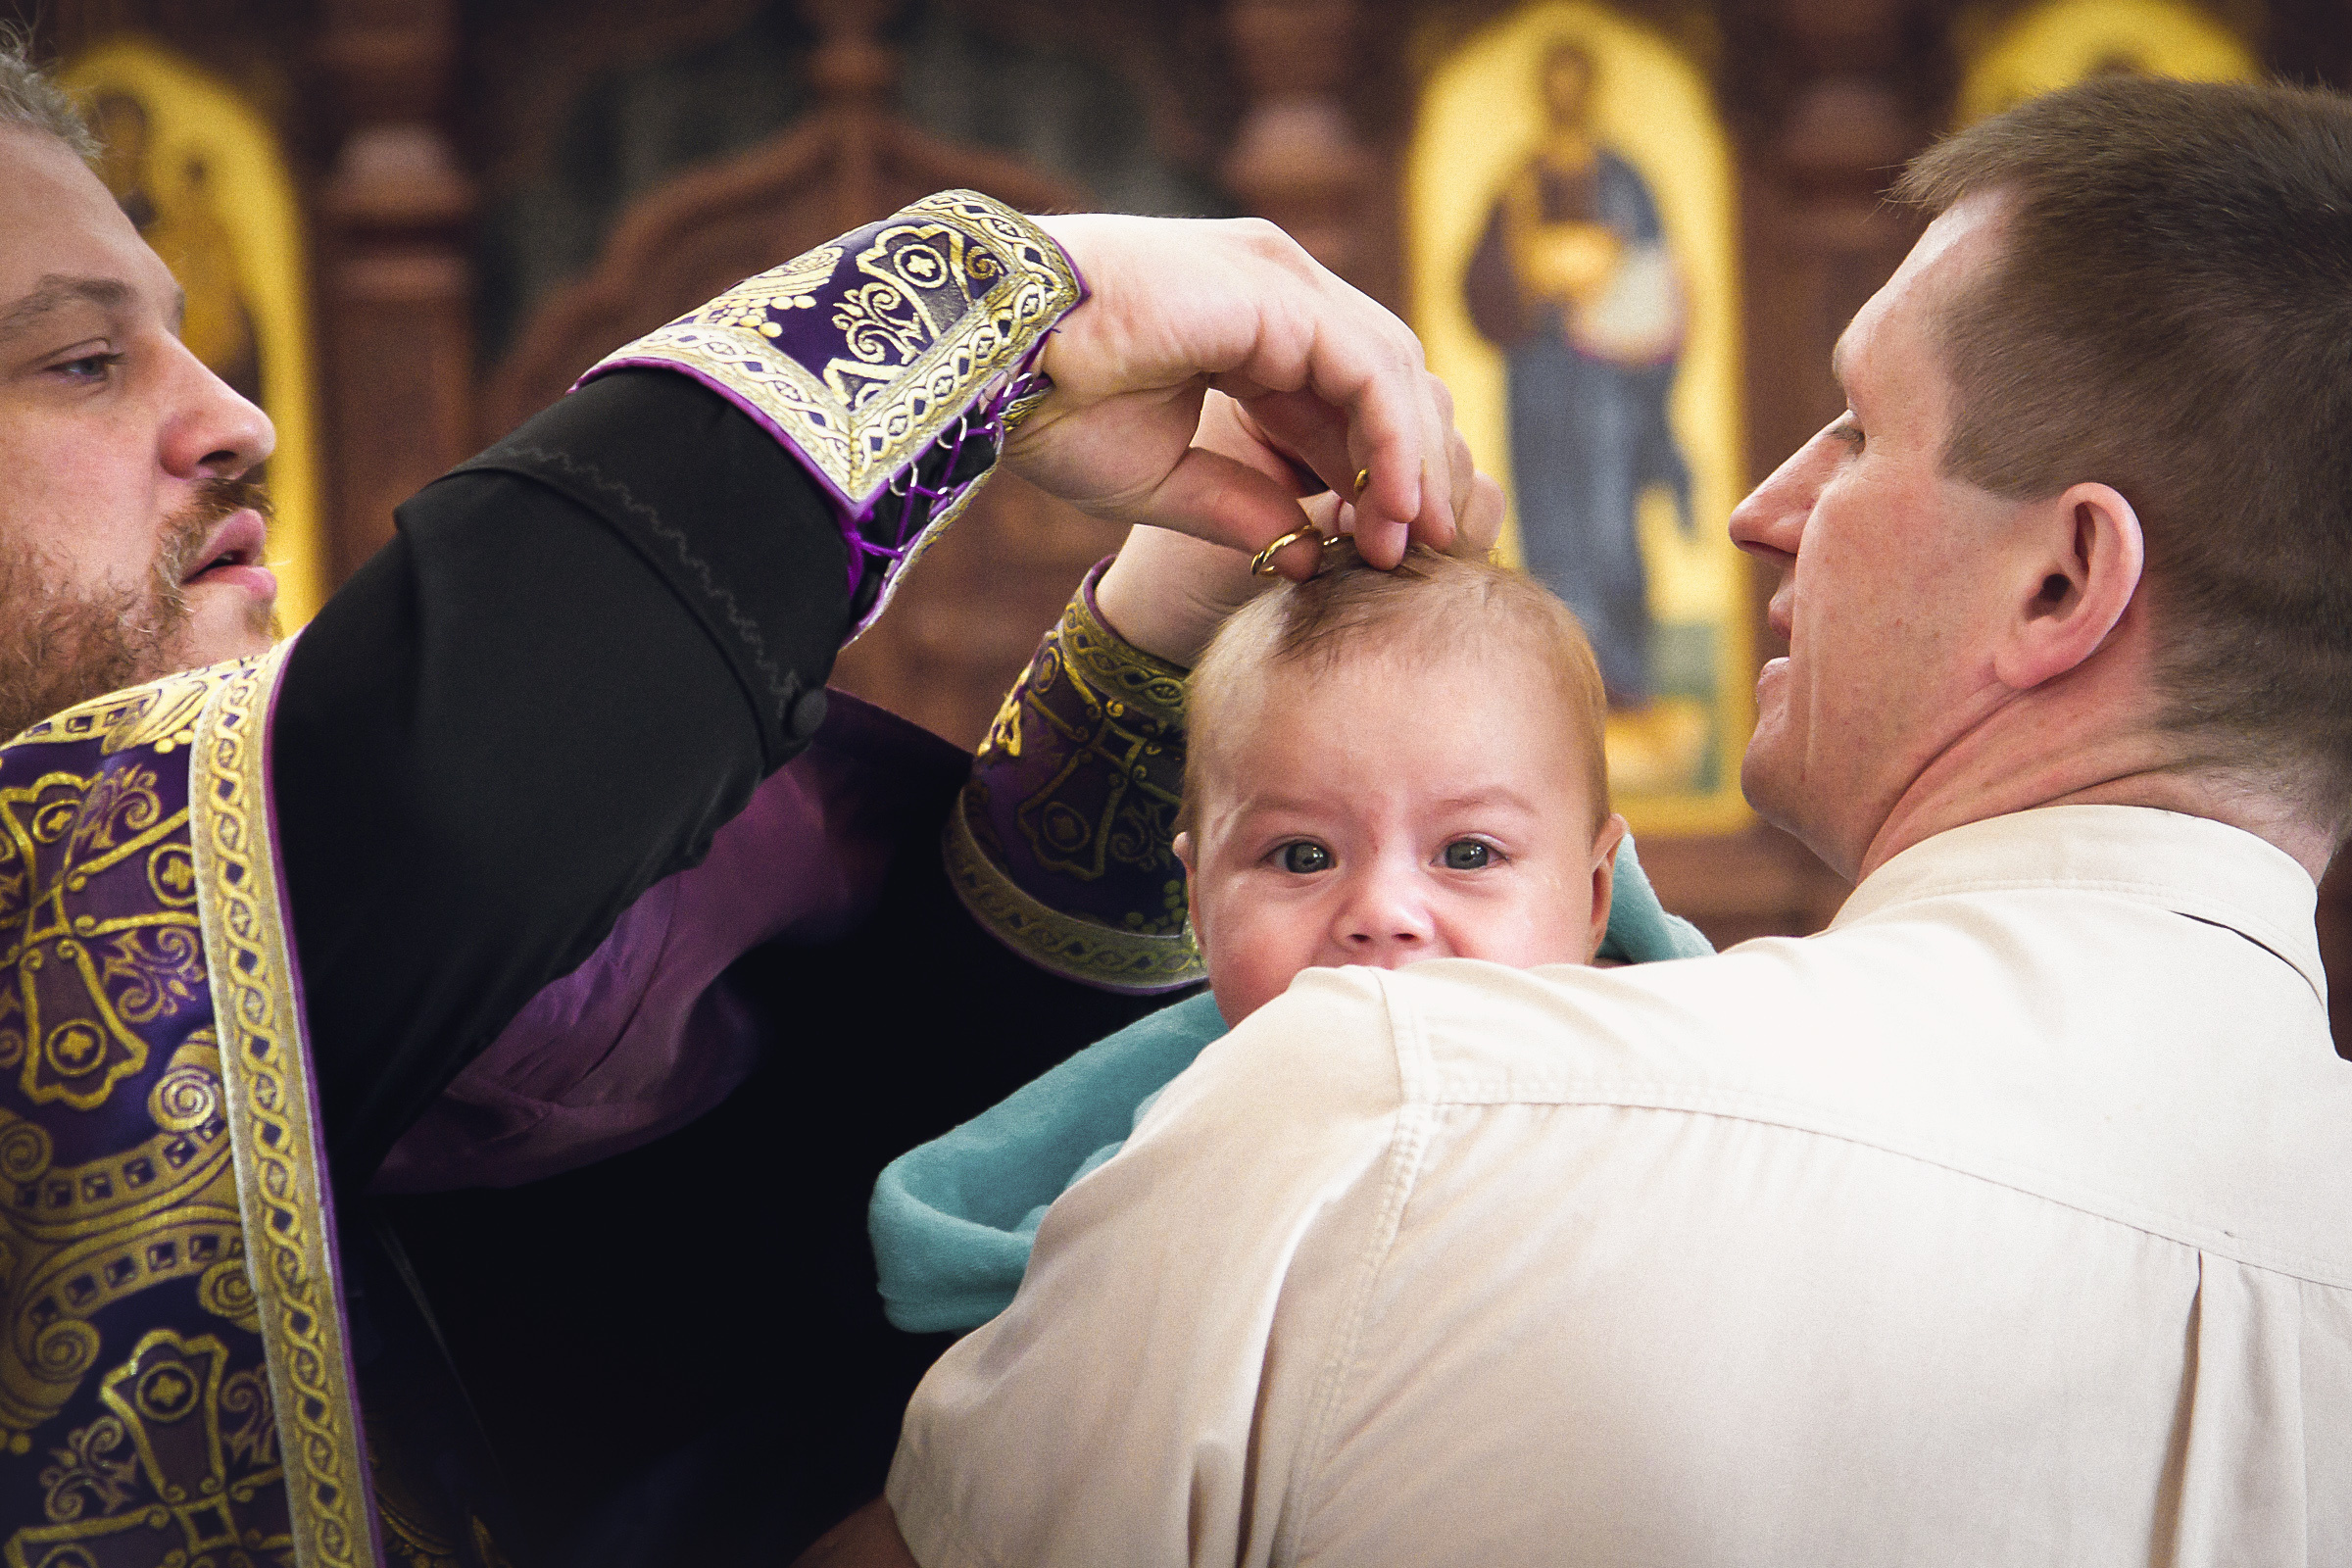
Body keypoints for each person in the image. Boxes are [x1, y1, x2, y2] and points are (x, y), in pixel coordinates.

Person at [0, 33, 1500, 1565]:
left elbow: (839, 1182)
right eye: (78, 360)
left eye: (175, 343)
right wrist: (1001, 301)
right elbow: (440, 812)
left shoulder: (421, 1057)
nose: (237, 418)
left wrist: (1157, 635)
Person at [814, 74, 2352, 1566]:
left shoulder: (1379, 1112)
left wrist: (964, 320)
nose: (1760, 508)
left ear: (2062, 582)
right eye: (1300, 851)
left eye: (1860, 432)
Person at [869, 547, 1712, 1336]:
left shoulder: (1684, 1126)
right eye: (1302, 856)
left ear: (1595, 894)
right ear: (1199, 904)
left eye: (1468, 853)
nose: (1383, 912)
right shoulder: (1143, 1186)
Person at [1463, 37, 1692, 710]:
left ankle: (1624, 677)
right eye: (1552, 87)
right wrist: (1528, 272)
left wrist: (1602, 281)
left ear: (1588, 92)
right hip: (1538, 380)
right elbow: (1483, 280)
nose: (1564, 99)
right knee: (1548, 525)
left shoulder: (1625, 180)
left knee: (1610, 525)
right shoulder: (1520, 182)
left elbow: (1659, 286)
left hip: (1611, 390)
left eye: (1575, 86)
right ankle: (1561, 691)